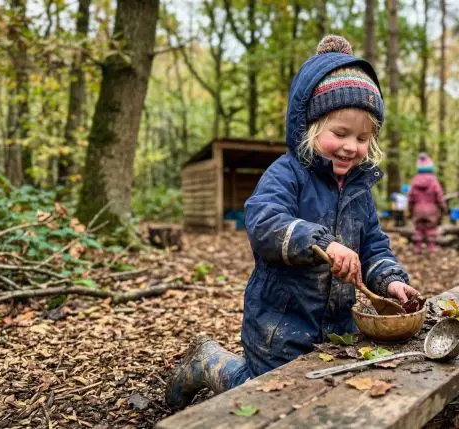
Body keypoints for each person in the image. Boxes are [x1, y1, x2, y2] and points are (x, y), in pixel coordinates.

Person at [164, 35, 420, 409]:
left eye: (363, 137)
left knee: (320, 395)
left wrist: (392, 280)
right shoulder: (288, 174)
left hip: (338, 324)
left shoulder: (360, 189)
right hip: (280, 322)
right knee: (265, 395)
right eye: (340, 133)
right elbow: (264, 221)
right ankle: (208, 362)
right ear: (311, 126)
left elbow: (374, 245)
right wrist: (322, 243)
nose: (352, 146)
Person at [408, 153, 447, 254]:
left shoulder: (414, 181)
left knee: (418, 228)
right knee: (431, 228)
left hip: (417, 209)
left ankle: (418, 247)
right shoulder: (434, 181)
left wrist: (410, 209)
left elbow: (410, 197)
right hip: (431, 209)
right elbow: (439, 196)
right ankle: (431, 247)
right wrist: (443, 207)